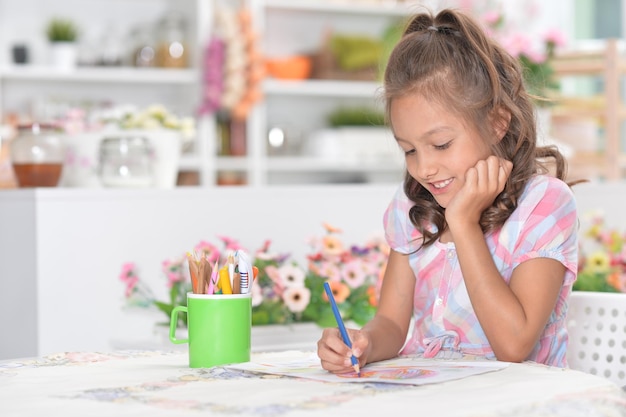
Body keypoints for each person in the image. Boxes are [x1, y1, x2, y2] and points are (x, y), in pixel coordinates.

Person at [317, 7, 578, 371]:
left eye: (440, 145)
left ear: (497, 122)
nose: (423, 168)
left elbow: (514, 344)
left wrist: (464, 223)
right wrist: (364, 343)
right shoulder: (413, 206)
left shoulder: (544, 204)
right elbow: (392, 322)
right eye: (408, 149)